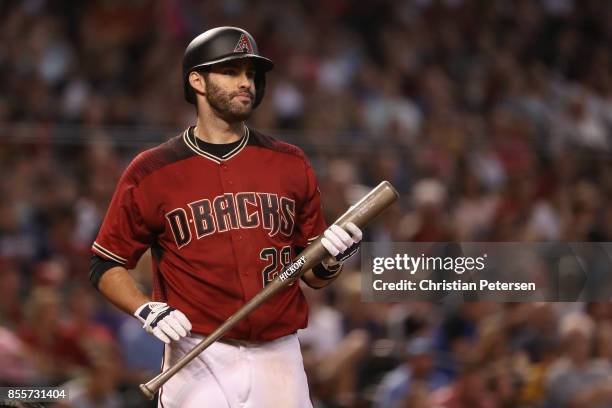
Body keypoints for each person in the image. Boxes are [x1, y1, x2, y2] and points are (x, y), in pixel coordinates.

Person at [89, 26, 362, 408]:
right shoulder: (152, 170)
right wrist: (144, 308)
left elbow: (313, 274)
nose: (246, 82)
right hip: (197, 353)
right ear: (197, 81)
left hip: (278, 353)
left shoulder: (290, 162)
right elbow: (106, 264)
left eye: (251, 74)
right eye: (231, 71)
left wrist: (333, 258)